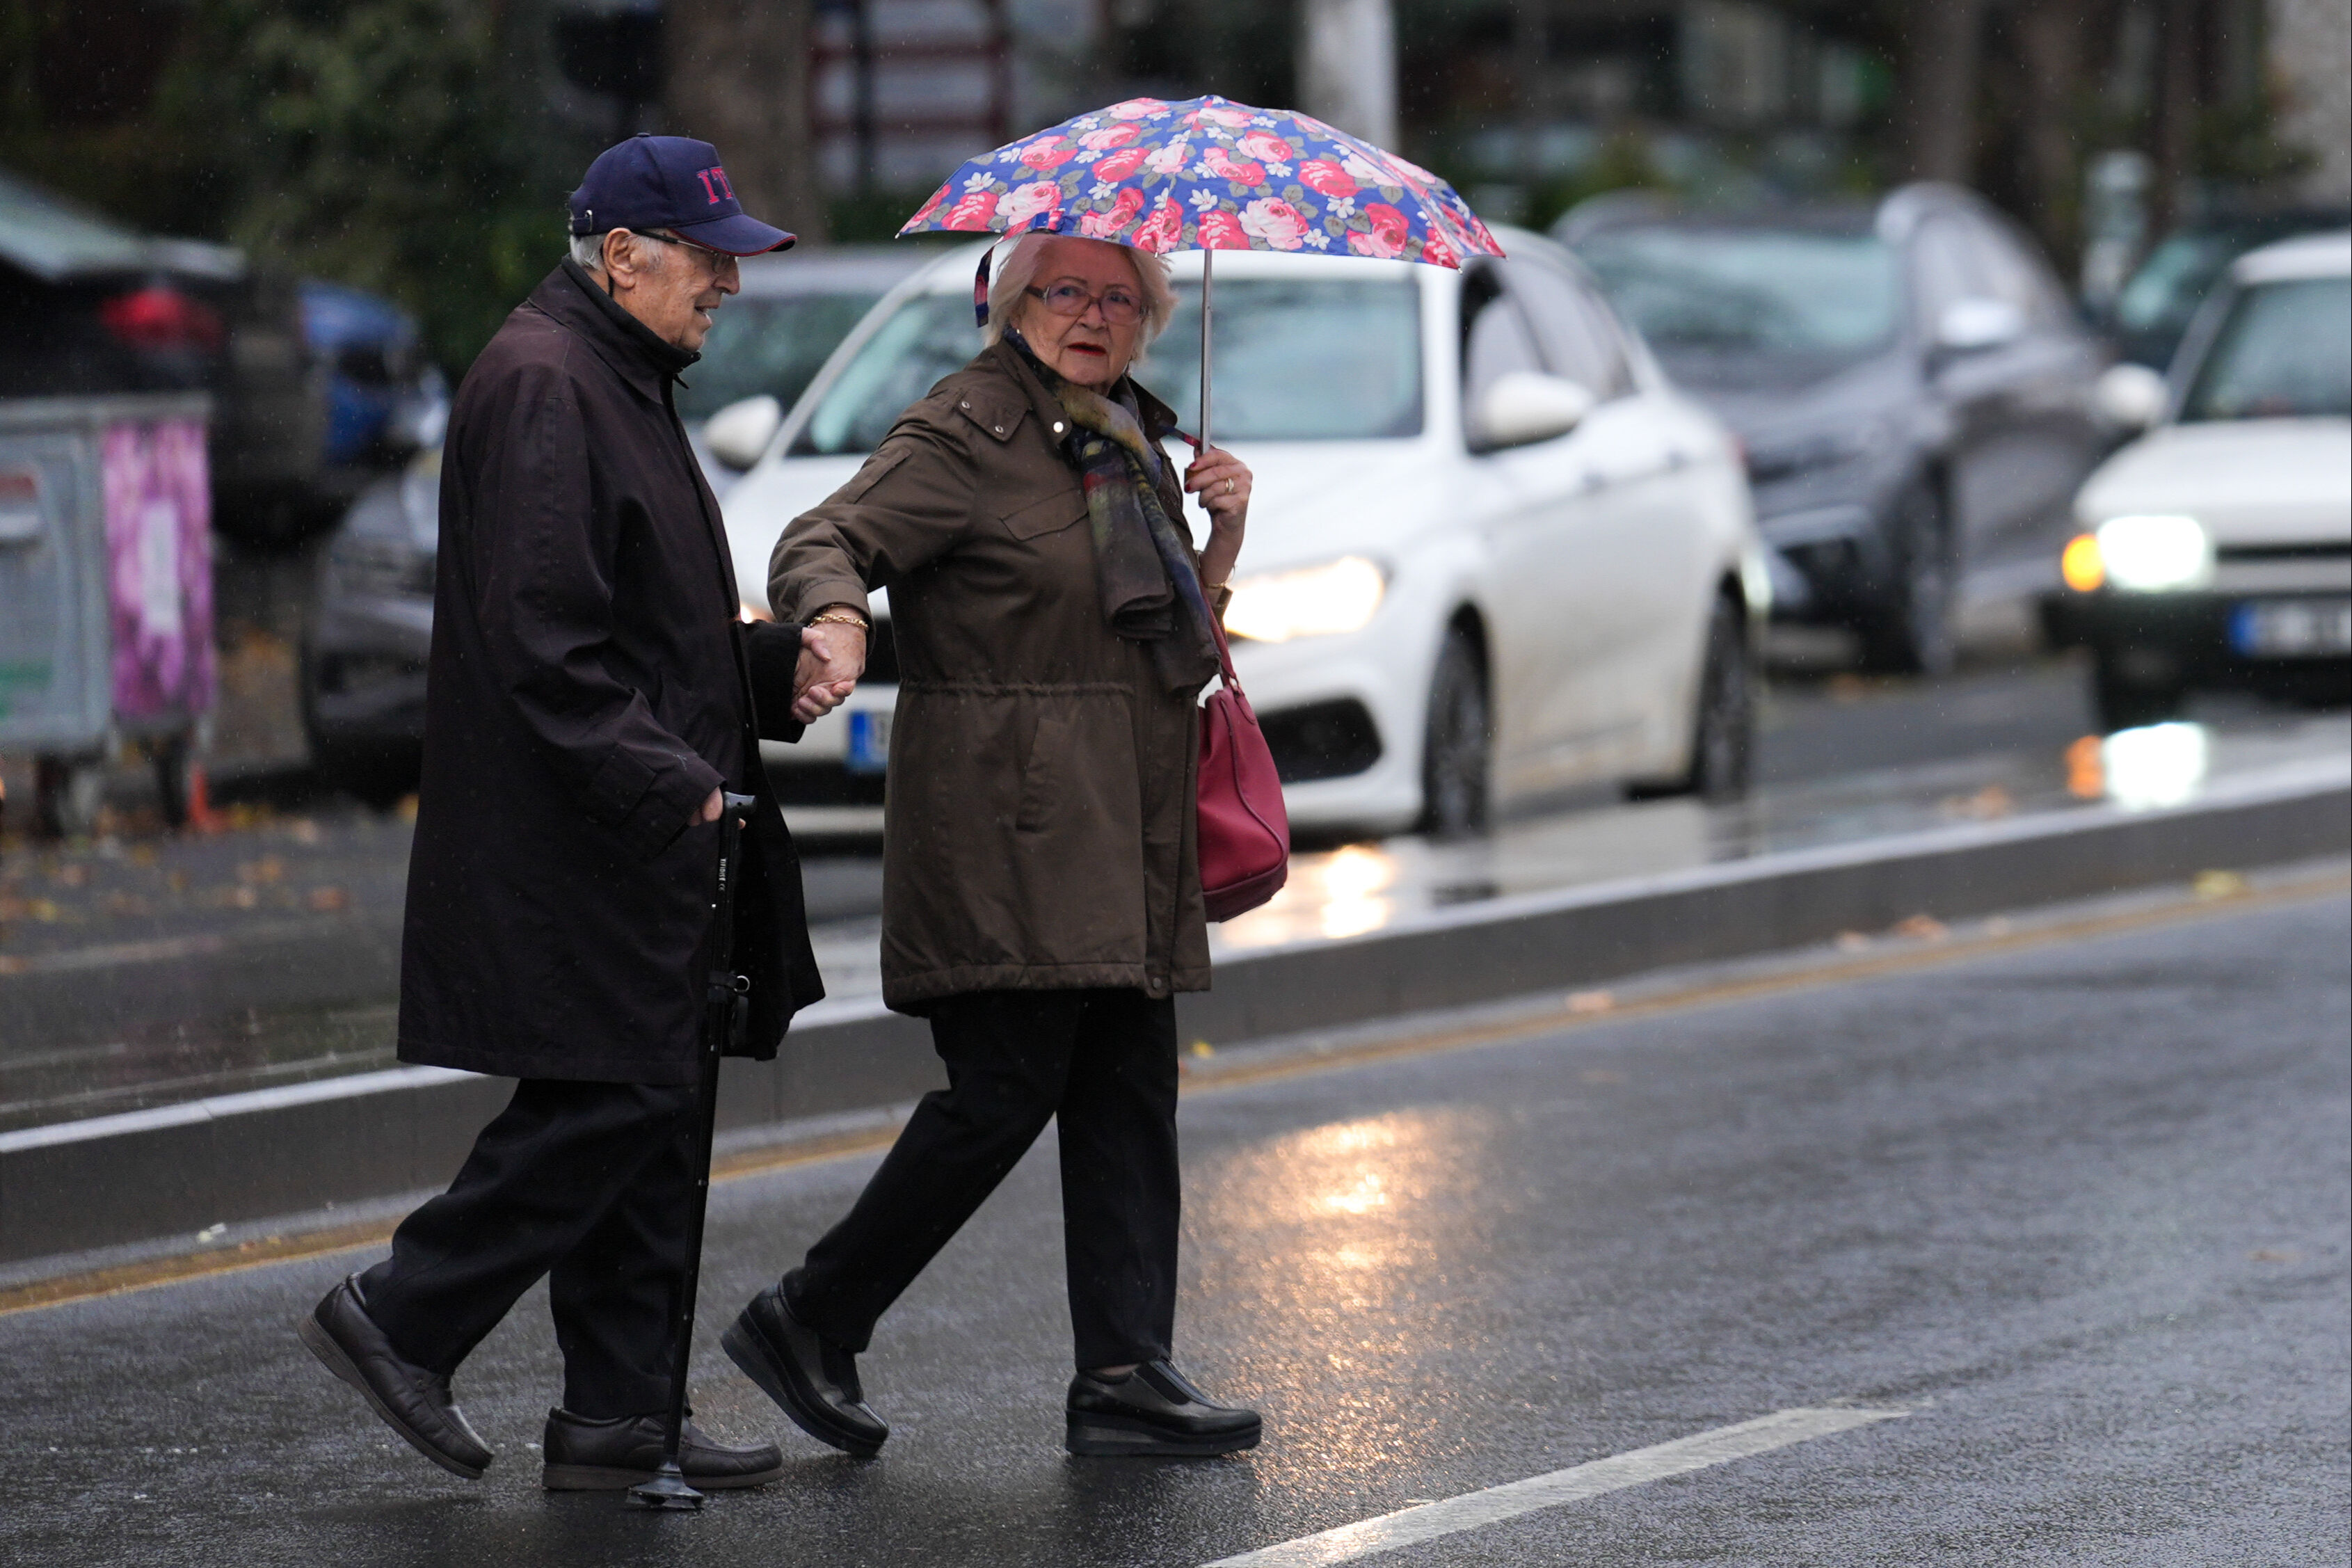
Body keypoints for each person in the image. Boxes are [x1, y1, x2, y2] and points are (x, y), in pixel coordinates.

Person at [296, 134, 833, 1491]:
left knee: (653, 1102)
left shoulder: (618, 370)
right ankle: (403, 1309)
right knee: (619, 1097)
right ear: (619, 255)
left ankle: (618, 1418)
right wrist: (682, 783)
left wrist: (768, 672)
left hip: (640, 825)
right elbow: (545, 642)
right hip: (588, 831)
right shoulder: (548, 380)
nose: (726, 280)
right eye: (706, 255)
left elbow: (641, 619)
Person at [722, 232, 1263, 1458]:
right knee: (1004, 1090)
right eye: (1066, 290)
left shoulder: (1126, 441)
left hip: (1121, 821)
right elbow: (824, 535)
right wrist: (837, 623)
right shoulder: (969, 427)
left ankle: (1125, 1369)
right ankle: (811, 1313)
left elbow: (1160, 644)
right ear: (1014, 304)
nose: (1093, 314)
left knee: (1128, 1085)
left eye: (1121, 298)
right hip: (1008, 823)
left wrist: (1220, 539)